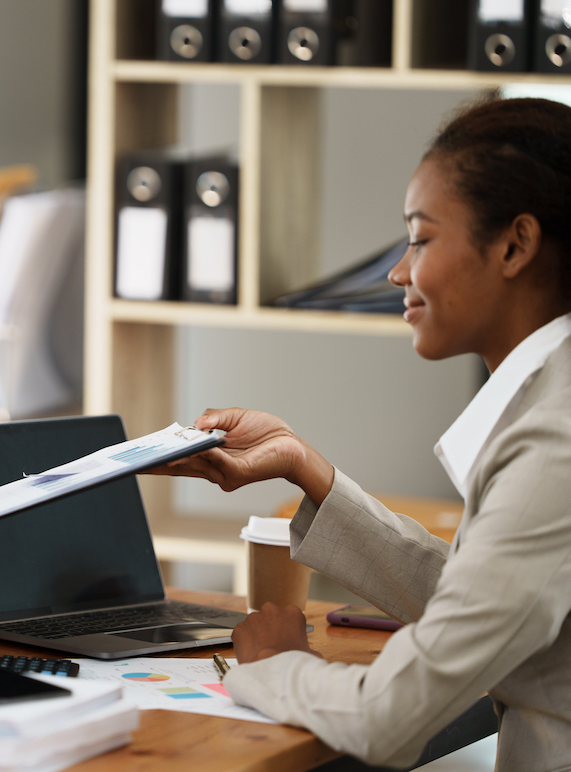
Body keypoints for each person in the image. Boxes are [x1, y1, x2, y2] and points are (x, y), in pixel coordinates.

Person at [156, 97, 571, 770]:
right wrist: (303, 466)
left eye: (421, 237)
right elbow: (489, 598)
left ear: (515, 244)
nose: (398, 273)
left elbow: (388, 716)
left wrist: (277, 666)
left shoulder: (556, 440)